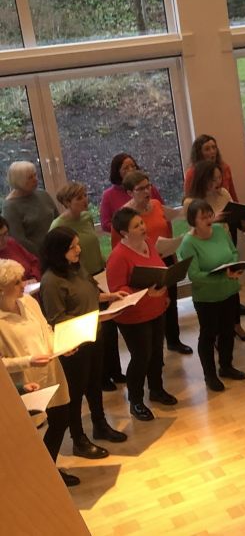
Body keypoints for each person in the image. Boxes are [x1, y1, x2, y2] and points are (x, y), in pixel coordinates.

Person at [41, 227, 131, 459]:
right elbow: (57, 319)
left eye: (77, 244)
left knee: (94, 384)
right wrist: (95, 319)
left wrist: (110, 297)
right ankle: (78, 440)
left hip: (93, 335)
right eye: (72, 247)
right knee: (76, 392)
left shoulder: (76, 267)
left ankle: (100, 425)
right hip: (74, 346)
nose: (78, 250)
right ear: (58, 251)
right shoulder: (51, 281)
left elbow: (89, 293)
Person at [0, 258, 77, 485]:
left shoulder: (29, 302)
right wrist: (28, 361)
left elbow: (47, 330)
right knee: (31, 434)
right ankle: (37, 478)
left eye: (22, 279)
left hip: (51, 371)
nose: (23, 284)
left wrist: (61, 346)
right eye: (16, 282)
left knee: (61, 418)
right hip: (24, 382)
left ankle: (49, 468)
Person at [106, 207, 172, 421]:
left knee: (157, 353)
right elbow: (118, 291)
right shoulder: (118, 257)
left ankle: (157, 390)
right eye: (136, 226)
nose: (143, 227)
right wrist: (146, 293)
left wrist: (164, 294)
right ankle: (136, 401)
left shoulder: (149, 243)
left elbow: (159, 270)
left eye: (141, 222)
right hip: (133, 316)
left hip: (156, 308)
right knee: (141, 357)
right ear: (124, 233)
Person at [177, 200, 245, 393]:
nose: (209, 219)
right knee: (208, 336)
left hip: (229, 291)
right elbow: (194, 275)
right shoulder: (188, 243)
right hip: (207, 298)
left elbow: (233, 252)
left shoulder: (219, 231)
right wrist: (223, 276)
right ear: (193, 221)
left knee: (227, 331)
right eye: (204, 217)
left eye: (210, 215)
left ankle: (226, 366)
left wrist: (235, 267)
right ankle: (210, 375)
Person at [119, 171, 191, 354]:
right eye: (141, 188)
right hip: (143, 263)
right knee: (153, 302)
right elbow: (119, 244)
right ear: (130, 193)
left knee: (170, 299)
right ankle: (153, 347)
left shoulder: (157, 205)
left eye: (148, 186)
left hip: (164, 256)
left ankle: (173, 340)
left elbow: (167, 226)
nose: (147, 191)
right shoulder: (126, 214)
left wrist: (171, 249)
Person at [185, 160, 245, 343]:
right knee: (216, 286)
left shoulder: (223, 193)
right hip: (206, 247)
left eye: (219, 177)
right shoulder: (192, 202)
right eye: (213, 179)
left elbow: (233, 212)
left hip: (225, 240)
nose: (218, 182)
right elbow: (192, 229)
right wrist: (213, 221)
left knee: (232, 285)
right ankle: (216, 334)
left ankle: (236, 325)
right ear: (203, 179)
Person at [99, 153, 165, 235]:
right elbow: (105, 224)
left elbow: (163, 212)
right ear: (117, 172)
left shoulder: (150, 188)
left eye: (133, 166)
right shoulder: (108, 195)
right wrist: (128, 227)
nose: (131, 170)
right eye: (126, 168)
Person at [3, 160, 57, 254]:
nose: (35, 179)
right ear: (18, 181)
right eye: (30, 178)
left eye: (35, 175)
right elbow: (19, 241)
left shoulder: (43, 194)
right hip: (38, 255)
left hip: (59, 247)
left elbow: (58, 219)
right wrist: (44, 255)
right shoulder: (10, 207)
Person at [184, 134, 239, 202]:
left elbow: (233, 195)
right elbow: (189, 201)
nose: (212, 151)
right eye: (207, 149)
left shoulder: (224, 168)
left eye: (214, 147)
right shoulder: (192, 173)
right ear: (199, 153)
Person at [0, 215, 39, 281]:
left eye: (5, 233)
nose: (3, 239)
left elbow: (34, 262)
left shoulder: (11, 243)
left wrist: (34, 277)